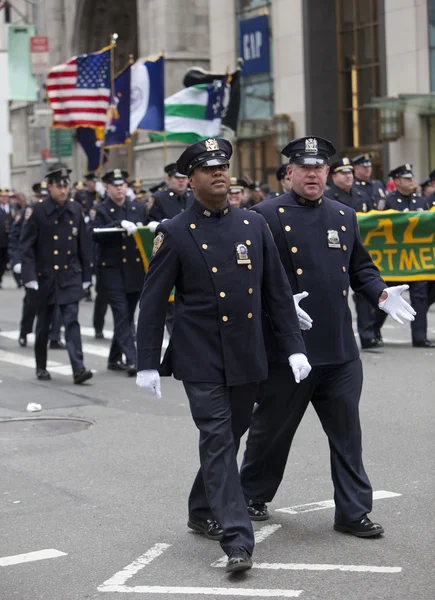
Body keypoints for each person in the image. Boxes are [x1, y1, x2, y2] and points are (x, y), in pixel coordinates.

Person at [135, 138, 311, 573]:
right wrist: (145, 361)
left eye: (223, 167)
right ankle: (236, 538)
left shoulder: (252, 225)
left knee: (229, 438)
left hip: (246, 354)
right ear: (190, 179)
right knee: (217, 440)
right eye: (208, 169)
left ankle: (200, 507)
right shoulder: (173, 232)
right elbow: (154, 301)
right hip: (200, 358)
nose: (219, 174)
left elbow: (276, 291)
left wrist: (293, 347)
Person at [240, 136, 416, 538]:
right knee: (271, 431)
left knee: (347, 435)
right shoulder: (262, 216)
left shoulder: (343, 214)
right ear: (290, 173)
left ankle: (353, 512)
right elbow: (248, 279)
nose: (313, 175)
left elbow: (361, 268)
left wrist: (381, 292)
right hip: (289, 349)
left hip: (338, 348)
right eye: (305, 168)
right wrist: (277, 306)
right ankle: (251, 493)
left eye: (320, 168)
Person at [19, 168, 92, 383]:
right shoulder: (37, 211)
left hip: (69, 276)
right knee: (44, 324)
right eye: (59, 186)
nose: (63, 190)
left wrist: (87, 274)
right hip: (46, 276)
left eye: (65, 186)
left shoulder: (76, 209)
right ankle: (41, 366)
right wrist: (29, 275)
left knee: (71, 321)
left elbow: (83, 244)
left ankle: (78, 369)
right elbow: (26, 246)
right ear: (49, 187)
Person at [91, 169, 147, 375]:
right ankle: (133, 360)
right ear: (107, 188)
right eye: (115, 186)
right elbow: (94, 234)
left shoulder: (137, 208)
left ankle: (114, 358)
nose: (119, 189)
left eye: (122, 185)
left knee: (127, 314)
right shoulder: (100, 209)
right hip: (112, 270)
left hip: (134, 270)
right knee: (122, 315)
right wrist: (117, 224)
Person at [373, 164, 434, 348]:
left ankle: (419, 337)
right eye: (407, 179)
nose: (411, 181)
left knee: (420, 298)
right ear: (397, 182)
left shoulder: (421, 201)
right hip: (394, 262)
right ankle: (373, 330)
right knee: (387, 298)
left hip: (415, 260)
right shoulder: (388, 202)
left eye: (411, 178)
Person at [324, 159, 379, 349]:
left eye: (350, 172)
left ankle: (368, 335)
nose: (348, 176)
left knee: (365, 292)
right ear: (333, 176)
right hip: (334, 250)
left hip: (359, 249)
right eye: (343, 173)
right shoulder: (327, 197)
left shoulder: (362, 195)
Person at [8, 188, 64, 349]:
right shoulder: (30, 212)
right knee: (31, 303)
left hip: (53, 267)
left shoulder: (59, 212)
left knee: (57, 303)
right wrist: (18, 262)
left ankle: (54, 336)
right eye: (41, 196)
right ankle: (24, 332)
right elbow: (16, 239)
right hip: (33, 267)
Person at [146, 163, 193, 230]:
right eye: (177, 177)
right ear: (169, 179)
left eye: (184, 178)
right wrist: (161, 222)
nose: (181, 181)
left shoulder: (195, 196)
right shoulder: (159, 198)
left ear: (188, 180)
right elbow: (150, 221)